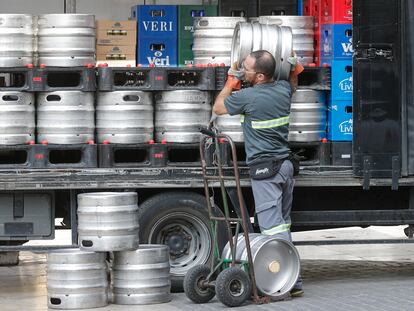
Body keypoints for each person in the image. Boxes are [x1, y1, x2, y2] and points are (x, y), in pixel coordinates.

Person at [212, 50, 304, 297]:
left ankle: (288, 282)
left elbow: (219, 107)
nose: (244, 71)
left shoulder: (248, 97)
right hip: (284, 167)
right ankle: (291, 279)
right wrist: (295, 69)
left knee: (271, 228)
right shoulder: (283, 90)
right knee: (283, 224)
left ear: (261, 76)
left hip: (266, 171)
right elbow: (293, 84)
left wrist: (230, 83)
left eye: (248, 69)